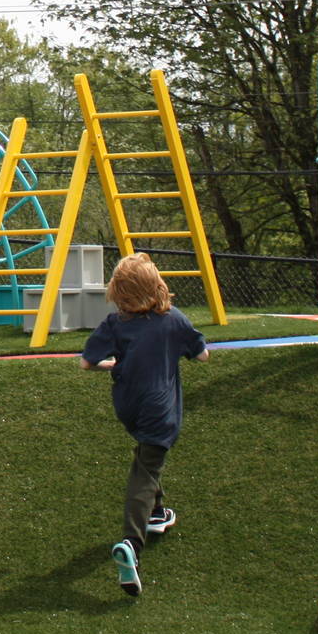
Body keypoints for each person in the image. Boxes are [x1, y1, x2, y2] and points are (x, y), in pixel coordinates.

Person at [80, 252, 209, 597]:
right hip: (159, 408)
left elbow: (87, 363)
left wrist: (113, 365)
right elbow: (201, 354)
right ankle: (131, 546)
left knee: (147, 457)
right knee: (145, 470)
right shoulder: (173, 320)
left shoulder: (115, 323)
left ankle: (156, 513)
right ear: (157, 286)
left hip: (128, 405)